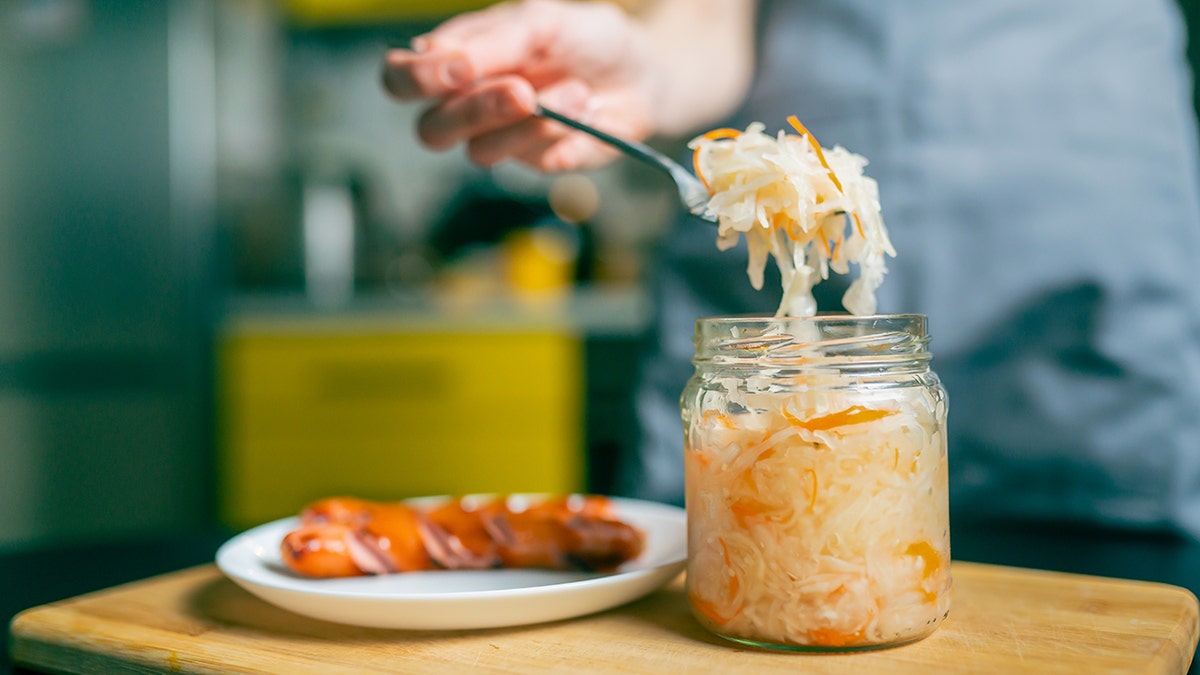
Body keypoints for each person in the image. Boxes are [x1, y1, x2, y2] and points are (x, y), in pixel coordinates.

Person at [383, 0, 1200, 541]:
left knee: (1102, 578)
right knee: (741, 544)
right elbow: (705, 19)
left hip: (1089, 232)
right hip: (764, 265)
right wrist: (651, 67)